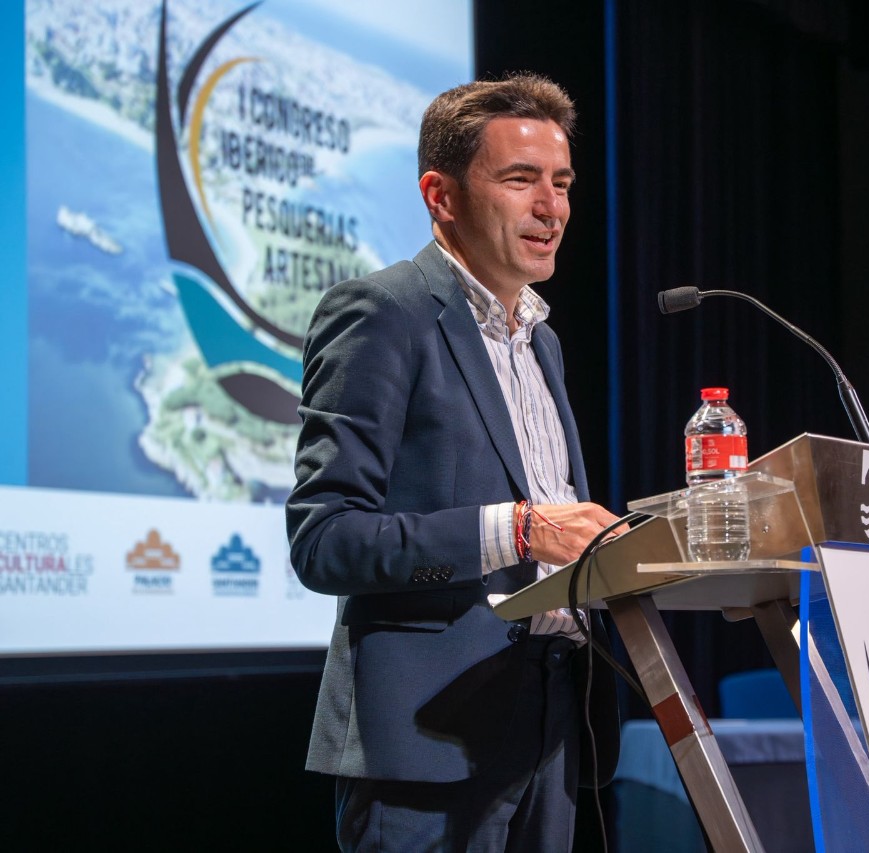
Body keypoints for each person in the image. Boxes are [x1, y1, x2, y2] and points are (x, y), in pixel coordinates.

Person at [287, 73, 624, 852]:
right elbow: (325, 537)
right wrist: (520, 530)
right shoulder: (383, 313)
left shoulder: (543, 340)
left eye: (562, 183)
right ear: (440, 195)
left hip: (550, 718)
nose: (552, 207)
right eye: (520, 180)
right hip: (427, 734)